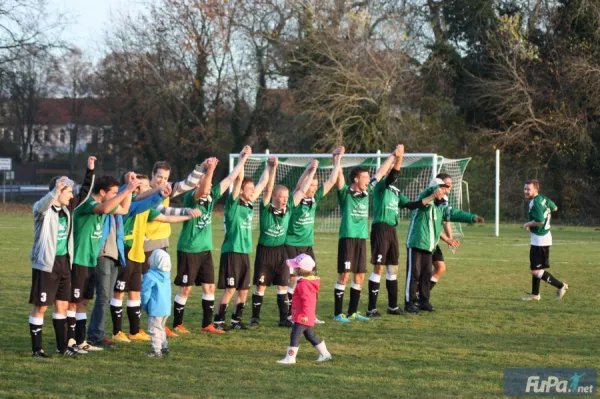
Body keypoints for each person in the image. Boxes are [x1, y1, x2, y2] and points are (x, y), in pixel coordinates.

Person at [172, 147, 251, 334]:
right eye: (204, 183)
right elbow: (202, 190)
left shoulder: (212, 194)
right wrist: (210, 170)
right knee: (186, 289)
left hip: (205, 249)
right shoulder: (191, 197)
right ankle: (177, 324)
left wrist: (243, 159)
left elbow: (231, 179)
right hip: (189, 248)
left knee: (209, 287)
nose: (208, 187)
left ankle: (207, 325)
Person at [110, 176, 197, 343]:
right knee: (119, 291)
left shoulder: (147, 207)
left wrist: (188, 216)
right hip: (126, 251)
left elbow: (166, 217)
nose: (145, 189)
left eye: (145, 186)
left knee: (135, 292)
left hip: (138, 253)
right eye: (141, 186)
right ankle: (116, 331)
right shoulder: (129, 205)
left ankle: (134, 331)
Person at [86, 173, 168, 347]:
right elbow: (122, 197)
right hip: (102, 255)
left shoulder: (122, 208)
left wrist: (160, 195)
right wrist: (127, 185)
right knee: (102, 297)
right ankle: (95, 335)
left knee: (105, 297)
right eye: (115, 191)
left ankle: (96, 333)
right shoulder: (105, 206)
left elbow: (141, 205)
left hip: (116, 256)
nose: (119, 194)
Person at [28, 156, 96, 358]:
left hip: (64, 263)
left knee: (62, 305)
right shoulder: (43, 210)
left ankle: (62, 347)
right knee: (41, 307)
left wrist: (90, 170)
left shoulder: (68, 208)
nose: (71, 195)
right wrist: (55, 191)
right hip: (46, 264)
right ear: (57, 192)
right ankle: (37, 349)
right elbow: (41, 205)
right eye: (67, 191)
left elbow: (85, 193)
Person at [67, 175, 142, 353]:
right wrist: (127, 189)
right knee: (73, 303)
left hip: (90, 260)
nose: (118, 195)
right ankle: (69, 342)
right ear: (102, 192)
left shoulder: (104, 205)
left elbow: (124, 209)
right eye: (114, 192)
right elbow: (108, 207)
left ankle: (81, 340)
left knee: (84, 301)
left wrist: (128, 192)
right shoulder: (88, 204)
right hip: (78, 260)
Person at [367, 145, 441, 317]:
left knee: (393, 269)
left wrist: (431, 198)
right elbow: (393, 174)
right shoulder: (380, 187)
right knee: (378, 268)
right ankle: (371, 308)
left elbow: (411, 205)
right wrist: (398, 157)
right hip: (380, 229)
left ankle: (392, 306)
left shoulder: (395, 191)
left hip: (392, 230)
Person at [332, 147, 402, 323]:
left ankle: (353, 312)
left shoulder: (367, 192)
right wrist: (337, 158)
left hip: (362, 238)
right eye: (364, 177)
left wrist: (393, 155)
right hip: (347, 238)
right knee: (345, 275)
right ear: (356, 179)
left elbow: (381, 172)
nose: (367, 180)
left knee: (360, 276)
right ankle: (338, 313)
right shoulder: (346, 193)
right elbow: (338, 177)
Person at [249, 157, 320, 327]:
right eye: (281, 197)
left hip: (281, 252)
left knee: (282, 285)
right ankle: (255, 318)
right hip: (265, 251)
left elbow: (302, 190)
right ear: (274, 196)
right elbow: (267, 189)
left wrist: (312, 171)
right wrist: (273, 168)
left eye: (286, 197)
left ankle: (283, 319)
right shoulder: (266, 207)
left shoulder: (289, 207)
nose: (283, 200)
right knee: (261, 286)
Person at [213, 156, 274, 331]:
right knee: (230, 289)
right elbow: (239, 179)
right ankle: (218, 320)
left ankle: (236, 320)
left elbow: (263, 183)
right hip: (232, 252)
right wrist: (243, 158)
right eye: (249, 189)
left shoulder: (249, 205)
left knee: (244, 290)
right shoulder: (233, 205)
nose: (253, 191)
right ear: (241, 191)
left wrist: (270, 167)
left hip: (244, 252)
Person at [405, 179, 484, 313]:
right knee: (414, 274)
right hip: (417, 242)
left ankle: (424, 301)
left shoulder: (439, 208)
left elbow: (454, 213)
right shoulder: (424, 200)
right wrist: (436, 190)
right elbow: (429, 191)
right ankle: (409, 303)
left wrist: (471, 217)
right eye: (442, 189)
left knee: (426, 274)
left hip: (430, 245)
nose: (443, 195)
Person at [285, 147, 344, 324]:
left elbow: (332, 180)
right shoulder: (296, 197)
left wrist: (338, 158)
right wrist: (309, 169)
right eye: (312, 185)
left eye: (316, 186)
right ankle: (291, 313)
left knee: (311, 279)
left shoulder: (315, 198)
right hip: (292, 243)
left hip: (307, 244)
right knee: (293, 279)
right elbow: (299, 186)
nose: (314, 188)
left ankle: (310, 314)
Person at [277, 254, 332, 364]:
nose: (294, 269)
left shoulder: (303, 285)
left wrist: (305, 316)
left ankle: (290, 357)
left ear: (301, 269)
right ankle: (325, 354)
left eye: (296, 267)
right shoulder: (307, 282)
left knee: (295, 334)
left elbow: (307, 302)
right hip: (305, 315)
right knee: (310, 335)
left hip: (303, 316)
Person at [521, 180, 568, 301]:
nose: (525, 191)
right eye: (525, 189)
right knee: (536, 268)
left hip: (540, 240)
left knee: (536, 271)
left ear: (535, 190)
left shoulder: (536, 202)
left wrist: (527, 224)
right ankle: (535, 294)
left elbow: (540, 220)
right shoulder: (542, 198)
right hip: (542, 238)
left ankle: (561, 286)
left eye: (528, 189)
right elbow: (555, 207)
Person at [429, 173, 461, 294]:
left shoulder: (444, 201)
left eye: (451, 184)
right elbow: (434, 226)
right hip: (425, 239)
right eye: (448, 184)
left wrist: (451, 240)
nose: (450, 186)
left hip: (434, 240)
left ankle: (422, 294)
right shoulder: (433, 200)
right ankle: (415, 296)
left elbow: (446, 221)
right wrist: (447, 239)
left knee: (440, 268)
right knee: (424, 271)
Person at [141, 249, 173, 357]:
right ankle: (164, 347)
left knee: (154, 329)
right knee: (161, 328)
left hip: (155, 308)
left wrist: (144, 304)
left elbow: (145, 293)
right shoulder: (167, 275)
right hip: (166, 308)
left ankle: (156, 350)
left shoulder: (150, 276)